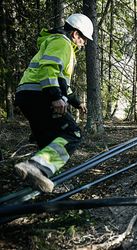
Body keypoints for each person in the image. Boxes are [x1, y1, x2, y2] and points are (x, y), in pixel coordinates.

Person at [14, 13, 94, 193]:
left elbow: (63, 83)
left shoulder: (60, 45)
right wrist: (54, 96)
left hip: (28, 94)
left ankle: (31, 181)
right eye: (83, 39)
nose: (84, 43)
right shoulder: (62, 43)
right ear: (75, 34)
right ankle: (35, 168)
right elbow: (48, 70)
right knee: (72, 134)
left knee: (47, 140)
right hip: (39, 94)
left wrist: (76, 103)